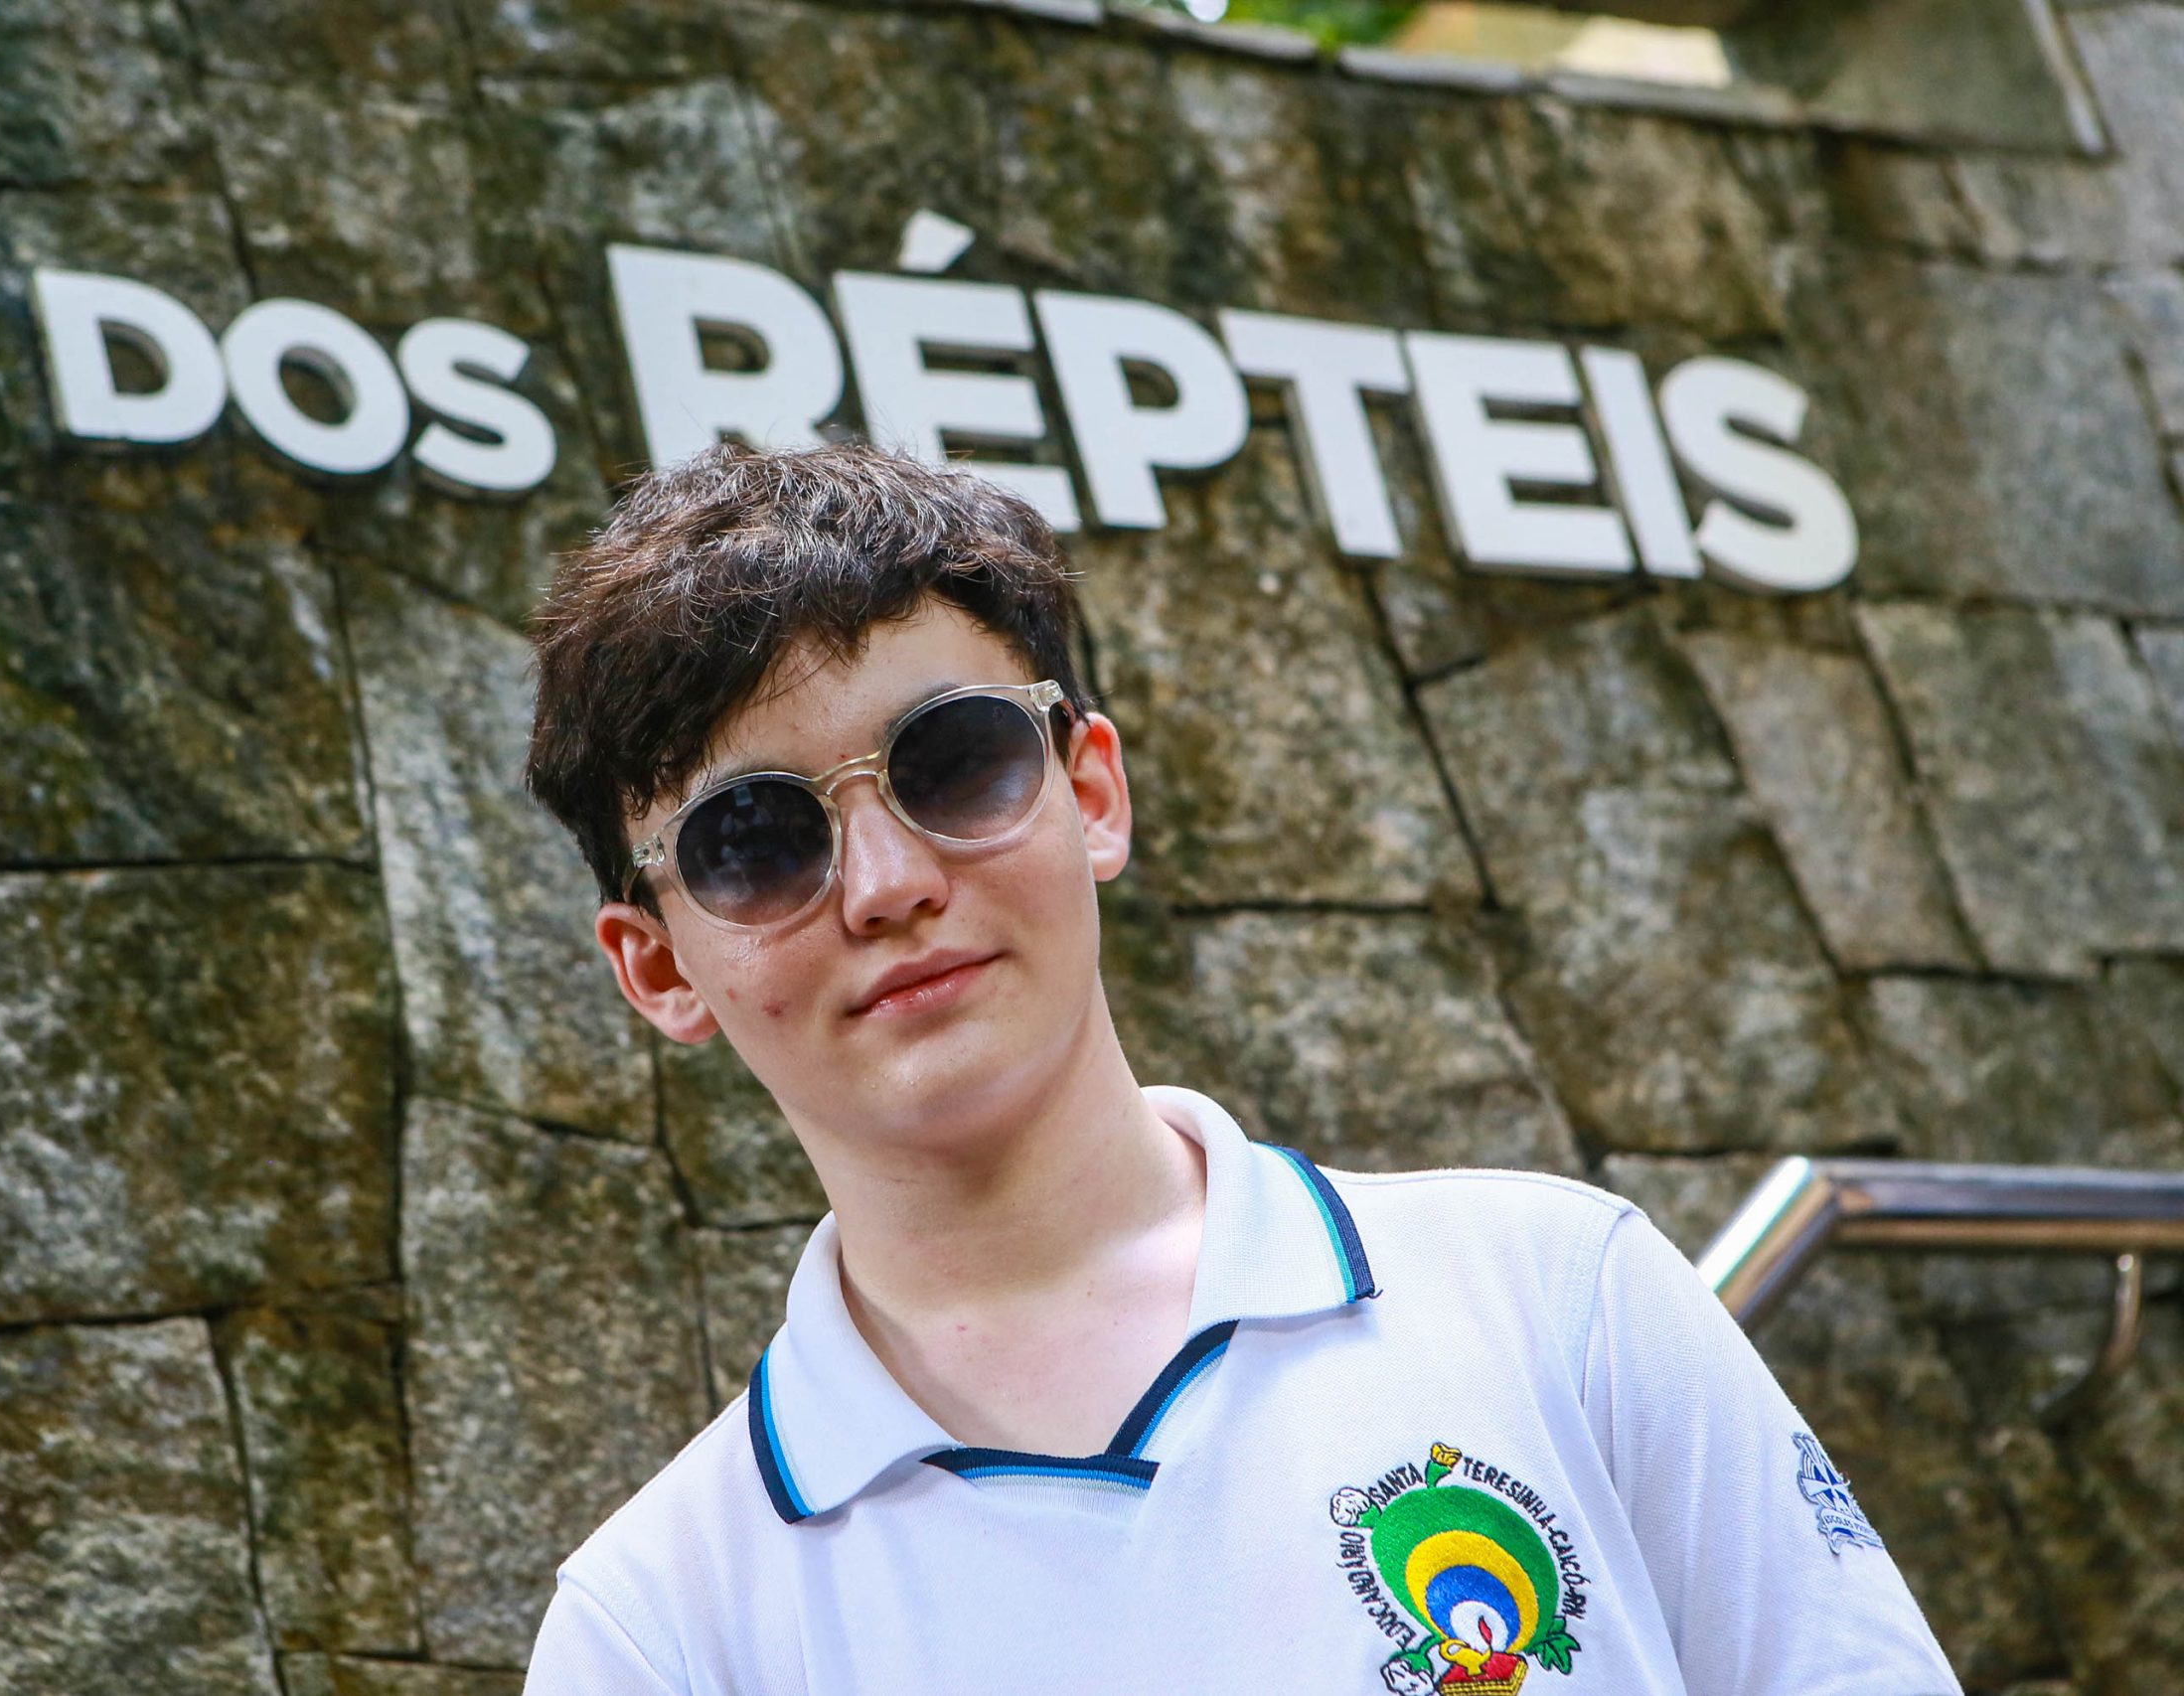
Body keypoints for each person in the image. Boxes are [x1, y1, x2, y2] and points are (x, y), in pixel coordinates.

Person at [517, 440, 1960, 1695]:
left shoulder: (1560, 1296)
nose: (890, 884)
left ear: (1090, 791)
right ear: (659, 967)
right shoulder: (658, 1632)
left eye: (953, 762)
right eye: (756, 841)